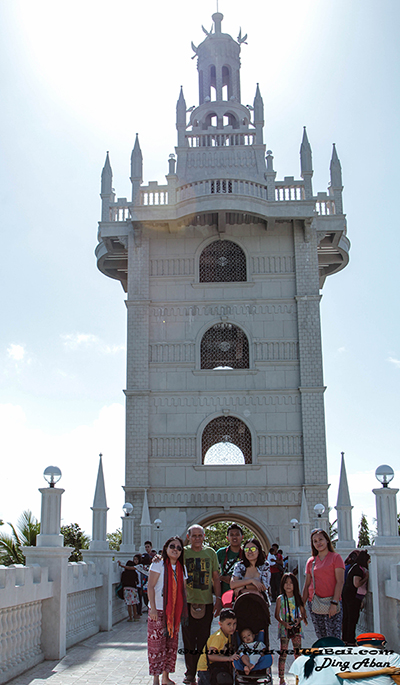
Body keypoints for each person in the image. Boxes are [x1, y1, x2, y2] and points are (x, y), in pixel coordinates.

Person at [182, 525, 222, 685]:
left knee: (204, 640)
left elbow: (215, 577)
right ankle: (189, 673)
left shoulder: (210, 553)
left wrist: (218, 599)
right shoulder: (183, 553)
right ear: (188, 536)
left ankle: (202, 671)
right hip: (187, 604)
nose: (197, 538)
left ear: (204, 536)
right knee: (188, 640)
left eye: (200, 535)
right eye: (194, 536)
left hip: (206, 603)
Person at [147, 536, 188, 685]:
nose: (175, 549)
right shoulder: (158, 564)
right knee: (156, 646)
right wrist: (152, 609)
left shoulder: (181, 568)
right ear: (166, 548)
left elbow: (183, 590)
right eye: (172, 546)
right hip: (158, 610)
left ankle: (166, 677)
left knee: (171, 646)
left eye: (178, 548)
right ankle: (156, 679)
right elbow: (150, 587)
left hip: (174, 614)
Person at [302, 528, 345, 639]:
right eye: (315, 541)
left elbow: (340, 581)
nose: (318, 543)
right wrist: (301, 606)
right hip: (315, 604)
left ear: (327, 540)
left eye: (320, 539)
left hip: (332, 603)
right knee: (321, 639)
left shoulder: (336, 558)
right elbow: (307, 585)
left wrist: (334, 603)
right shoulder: (311, 561)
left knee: (333, 639)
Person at [275, 572, 307, 685]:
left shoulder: (298, 598)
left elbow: (303, 614)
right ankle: (281, 678)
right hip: (284, 630)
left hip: (296, 629)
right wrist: (284, 623)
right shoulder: (280, 599)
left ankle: (299, 677)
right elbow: (276, 615)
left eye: (291, 583)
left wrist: (299, 620)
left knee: (297, 654)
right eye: (286, 583)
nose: (288, 585)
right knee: (283, 653)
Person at [196, 608, 239, 685]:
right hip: (205, 668)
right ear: (220, 624)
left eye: (234, 623)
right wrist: (228, 658)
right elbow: (211, 656)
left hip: (214, 666)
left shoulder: (229, 635)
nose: (232, 627)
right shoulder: (218, 637)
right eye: (229, 624)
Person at [341, 550, 370, 645]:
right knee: (352, 618)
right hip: (351, 597)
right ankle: (350, 640)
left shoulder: (354, 567)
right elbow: (356, 583)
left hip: (347, 594)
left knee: (347, 617)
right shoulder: (358, 569)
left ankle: (345, 638)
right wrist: (366, 578)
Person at [230, 538, 271, 602]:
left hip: (260, 602)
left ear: (259, 550)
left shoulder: (264, 565)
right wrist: (252, 581)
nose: (249, 551)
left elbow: (264, 586)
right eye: (246, 549)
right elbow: (232, 584)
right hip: (242, 602)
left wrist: (243, 586)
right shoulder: (239, 566)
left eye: (253, 549)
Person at [216, 523, 244, 596]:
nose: (234, 537)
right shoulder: (221, 553)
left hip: (242, 593)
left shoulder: (246, 554)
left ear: (242, 537)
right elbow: (213, 571)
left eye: (237, 534)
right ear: (227, 538)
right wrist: (222, 578)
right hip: (224, 593)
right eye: (231, 535)